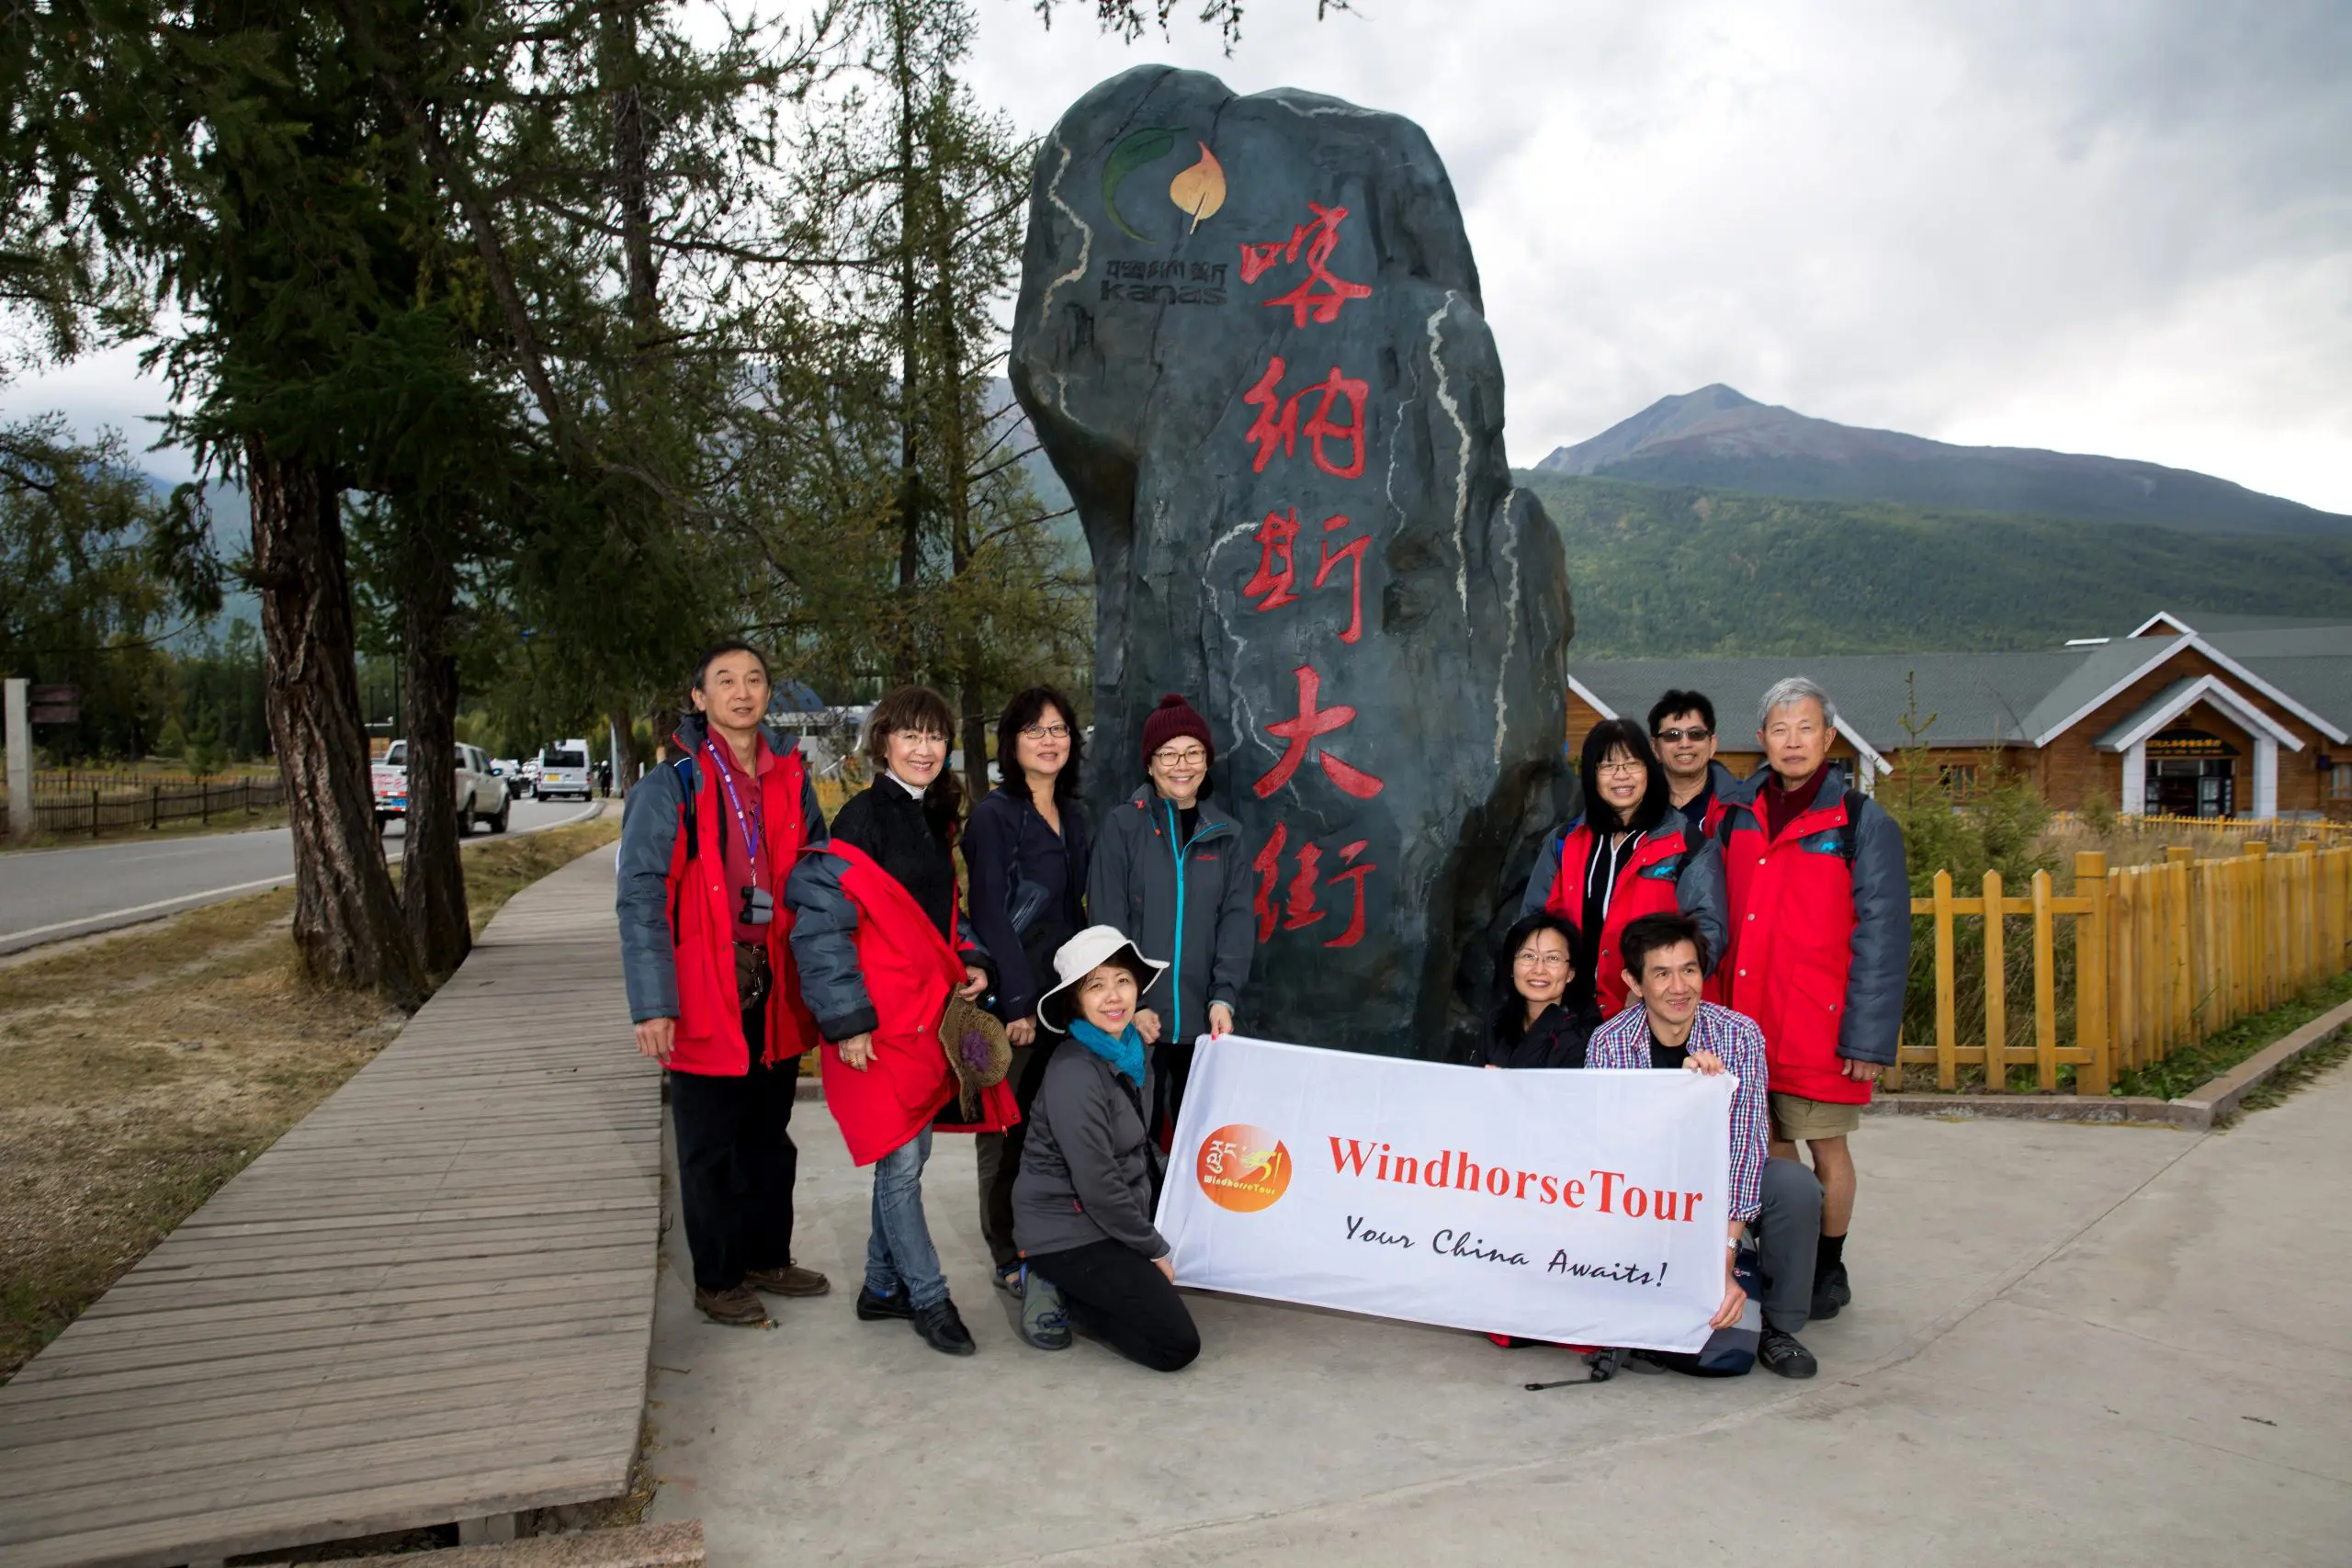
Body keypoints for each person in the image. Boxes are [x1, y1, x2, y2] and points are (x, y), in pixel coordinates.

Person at [786, 685, 1016, 1357]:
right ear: (882, 741)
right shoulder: (862, 817)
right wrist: (846, 1021)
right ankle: (927, 1294)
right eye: (910, 735)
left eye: (935, 737)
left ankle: (880, 1285)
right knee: (903, 1161)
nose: (924, 749)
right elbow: (821, 924)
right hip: (874, 1019)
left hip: (920, 1015)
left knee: (908, 1151)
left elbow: (939, 915)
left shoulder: (929, 815)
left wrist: (972, 956)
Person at [616, 641, 832, 1328]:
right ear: (700, 698)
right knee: (708, 1140)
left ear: (769, 693)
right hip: (702, 983)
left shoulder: (790, 777)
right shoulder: (672, 783)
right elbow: (641, 896)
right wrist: (653, 1003)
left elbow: (819, 873)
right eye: (725, 681)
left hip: (771, 981)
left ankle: (768, 1254)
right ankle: (717, 1277)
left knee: (770, 1131)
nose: (743, 691)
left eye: (755, 679)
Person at [1713, 676, 1907, 1322]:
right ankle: (1784, 1255)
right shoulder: (1737, 814)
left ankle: (1829, 1263)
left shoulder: (1860, 822)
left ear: (1828, 738)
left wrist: (1869, 1038)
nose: (1792, 741)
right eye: (1779, 728)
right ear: (1762, 738)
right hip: (1746, 1021)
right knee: (1765, 1145)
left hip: (1818, 1022)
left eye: (1806, 728)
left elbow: (1884, 934)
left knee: (1826, 1147)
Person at [1588, 912, 1823, 1378]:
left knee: (1794, 1185)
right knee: (1709, 1353)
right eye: (1662, 973)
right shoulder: (1609, 1045)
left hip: (1723, 1192)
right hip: (1652, 1199)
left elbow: (1747, 1145)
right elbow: (1614, 1155)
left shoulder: (1739, 1034)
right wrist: (1683, 1101)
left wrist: (1726, 1250)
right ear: (1633, 982)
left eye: (1689, 969)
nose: (1679, 987)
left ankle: (1779, 1327)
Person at [1011, 925, 1199, 1372]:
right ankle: (1053, 1281)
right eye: (1096, 985)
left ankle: (1092, 1282)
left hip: (1110, 1216)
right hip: (1066, 1228)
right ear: (1075, 999)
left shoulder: (1132, 1054)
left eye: (1123, 981)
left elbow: (1136, 1145)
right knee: (1175, 1346)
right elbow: (1097, 1183)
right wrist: (1154, 1248)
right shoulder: (1074, 1072)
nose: (1113, 996)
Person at [964, 685, 1092, 1295]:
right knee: (1006, 1129)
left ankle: (1050, 1236)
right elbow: (988, 912)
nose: (1050, 740)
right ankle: (1006, 1249)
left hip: (1066, 997)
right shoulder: (993, 816)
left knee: (1054, 1125)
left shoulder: (1077, 813)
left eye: (1060, 729)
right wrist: (1016, 1003)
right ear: (1011, 743)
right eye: (1036, 730)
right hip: (1015, 1001)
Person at [1089, 694, 1253, 1136]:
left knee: (1197, 1144)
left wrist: (1224, 997)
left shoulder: (1227, 837)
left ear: (1207, 760)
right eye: (1168, 754)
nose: (1182, 765)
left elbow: (1236, 922)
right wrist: (1131, 1004)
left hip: (1204, 1023)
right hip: (1138, 1021)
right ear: (1149, 763)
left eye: (1193, 752)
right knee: (1130, 1139)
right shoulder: (1122, 827)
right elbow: (1106, 925)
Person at [1519, 716, 1727, 1019]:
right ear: (1592, 775)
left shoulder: (1688, 845)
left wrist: (1658, 986)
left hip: (1654, 1016)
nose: (1621, 776)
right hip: (1569, 1015)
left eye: (1632, 764)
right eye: (1607, 766)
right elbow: (1533, 922)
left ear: (1649, 770)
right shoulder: (1564, 842)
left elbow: (1710, 931)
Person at [1468, 911, 1601, 1070]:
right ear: (1511, 967)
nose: (1539, 970)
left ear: (1570, 973)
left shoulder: (1586, 1037)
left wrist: (1507, 1085)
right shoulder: (1496, 1022)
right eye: (1528, 956)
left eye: (1553, 958)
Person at [1647, 689, 1742, 837]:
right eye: (1672, 735)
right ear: (1655, 748)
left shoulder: (1743, 807)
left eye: (1695, 734)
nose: (1684, 744)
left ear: (1712, 744)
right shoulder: (1635, 806)